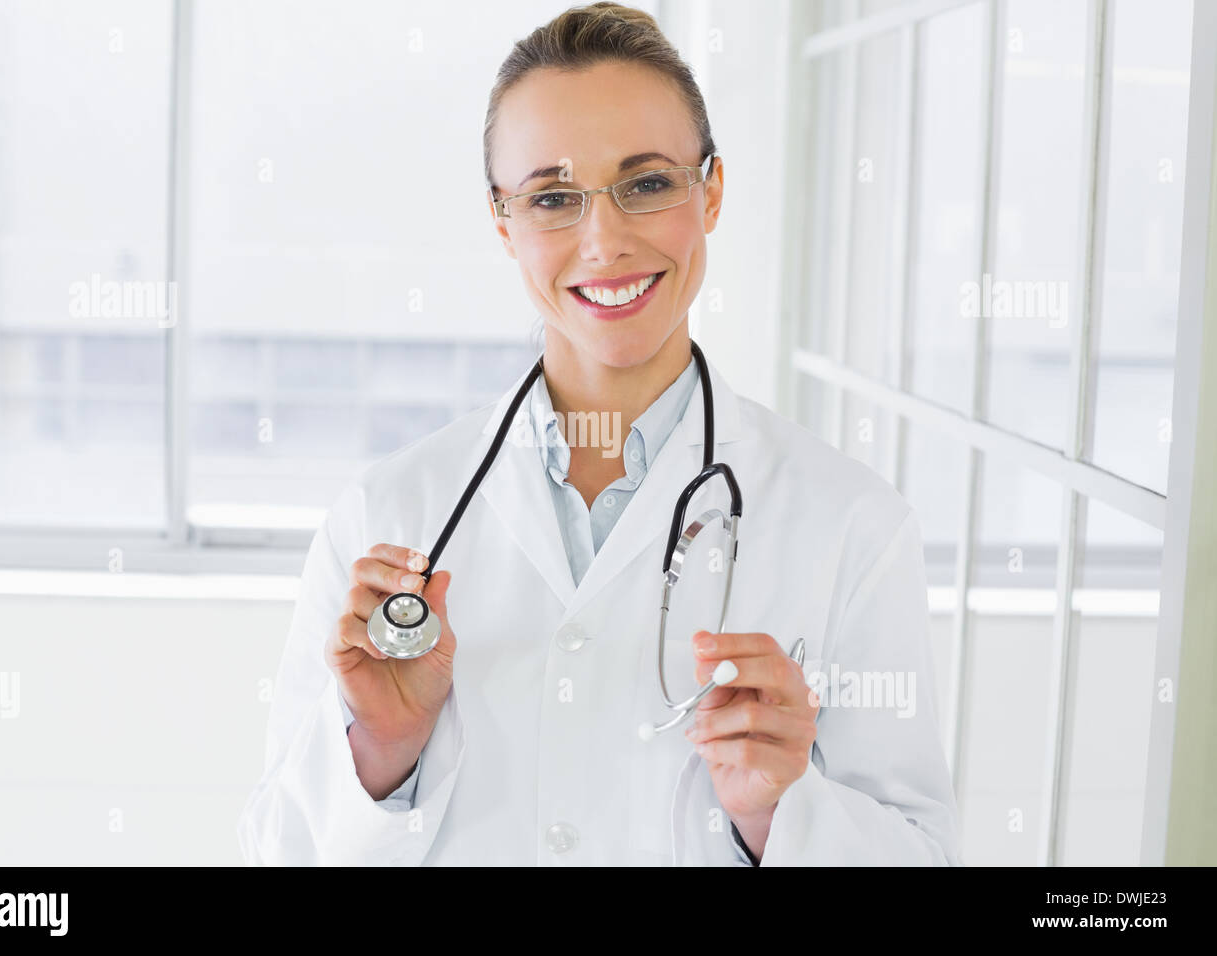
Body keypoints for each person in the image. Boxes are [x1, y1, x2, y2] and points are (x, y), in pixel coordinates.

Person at [237, 1, 961, 866]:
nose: (604, 240)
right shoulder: (386, 516)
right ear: (503, 222)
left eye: (648, 183)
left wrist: (781, 812)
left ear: (712, 192)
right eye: (553, 197)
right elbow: (273, 854)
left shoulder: (853, 527)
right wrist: (381, 753)